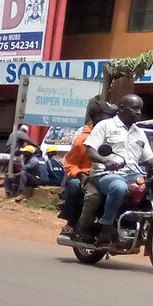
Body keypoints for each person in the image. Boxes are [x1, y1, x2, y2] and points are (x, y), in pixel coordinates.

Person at [84, 94, 153, 243]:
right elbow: (90, 150)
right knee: (119, 187)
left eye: (140, 109)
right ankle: (106, 227)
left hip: (133, 174)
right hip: (104, 174)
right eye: (135, 108)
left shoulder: (140, 132)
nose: (139, 113)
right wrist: (105, 160)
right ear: (121, 108)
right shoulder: (105, 125)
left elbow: (148, 159)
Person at [60, 100, 116, 236]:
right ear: (97, 117)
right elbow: (69, 162)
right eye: (108, 115)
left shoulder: (112, 135)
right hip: (85, 176)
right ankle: (72, 222)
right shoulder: (83, 139)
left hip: (107, 175)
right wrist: (80, 175)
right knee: (74, 185)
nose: (112, 119)